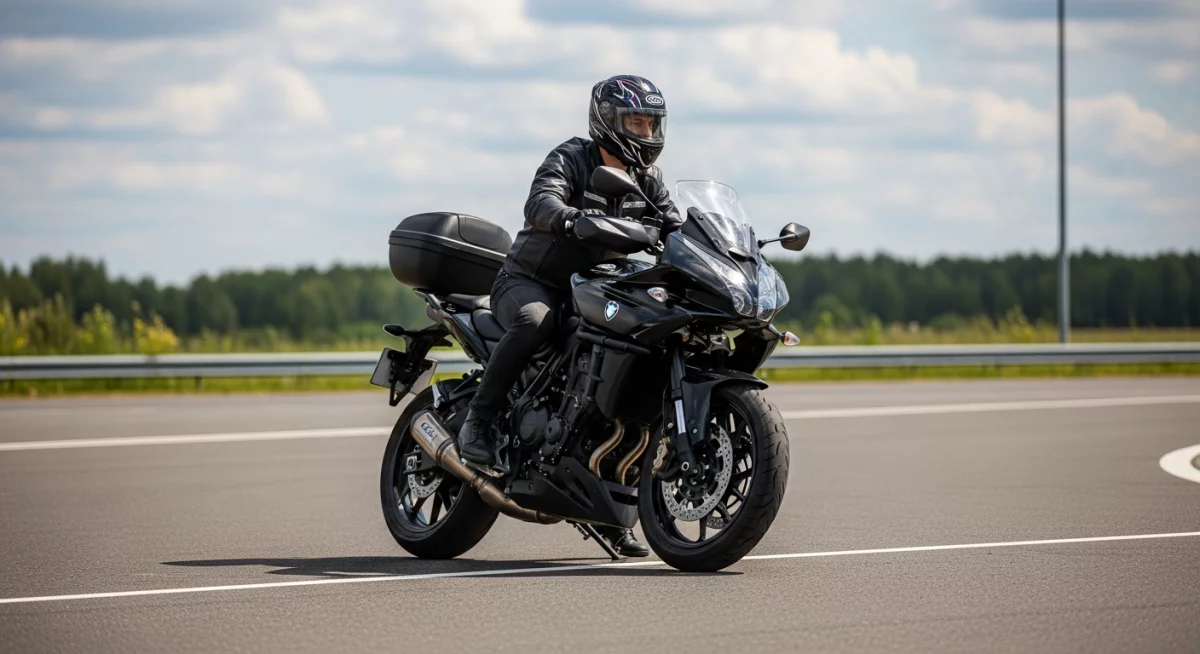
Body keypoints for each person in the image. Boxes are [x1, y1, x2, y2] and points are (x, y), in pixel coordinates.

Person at [457, 74, 683, 557]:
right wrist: (567, 217)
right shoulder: (572, 157)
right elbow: (540, 201)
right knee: (536, 321)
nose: (645, 132)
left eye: (651, 123)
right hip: (531, 284)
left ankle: (616, 508)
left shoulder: (649, 181)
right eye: (635, 122)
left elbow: (675, 227)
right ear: (607, 120)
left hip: (596, 291)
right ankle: (479, 419)